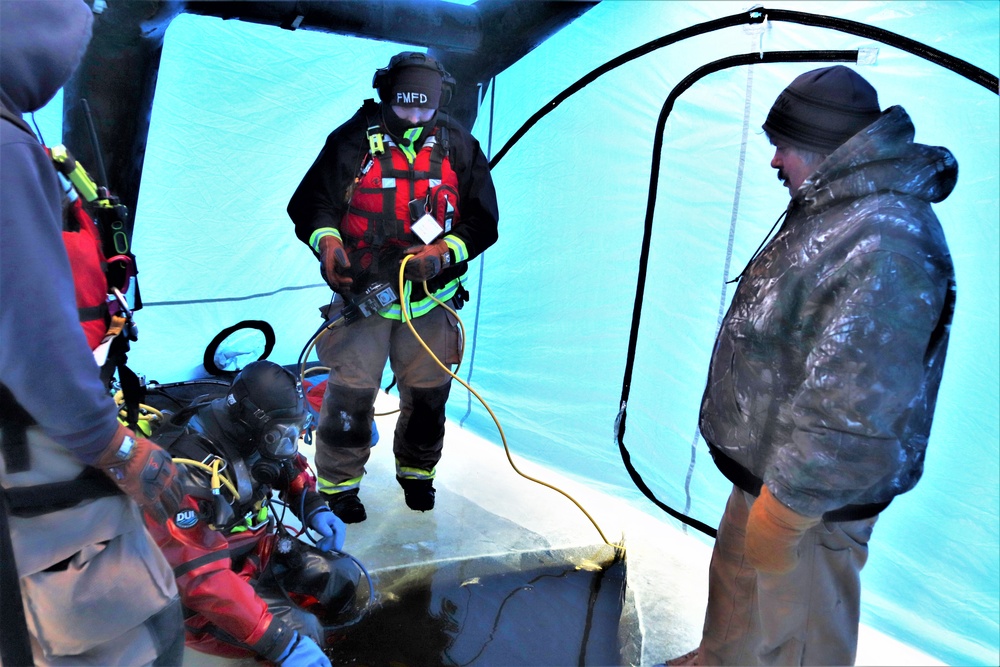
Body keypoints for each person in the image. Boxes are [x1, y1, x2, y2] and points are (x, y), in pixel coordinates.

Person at [674, 66, 958, 666]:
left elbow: (857, 403)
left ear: (823, 147)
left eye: (784, 145)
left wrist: (788, 511)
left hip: (811, 503)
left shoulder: (887, 241)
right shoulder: (836, 209)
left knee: (797, 638)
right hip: (768, 466)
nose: (774, 160)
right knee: (738, 602)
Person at [0, 1, 187, 665]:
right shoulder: (7, 149)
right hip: (29, 437)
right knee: (127, 632)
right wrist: (114, 446)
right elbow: (31, 333)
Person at [287, 51, 500, 523]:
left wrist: (443, 253)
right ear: (386, 95)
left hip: (431, 298)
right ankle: (339, 485)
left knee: (428, 395)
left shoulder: (459, 145)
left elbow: (484, 221)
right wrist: (327, 243)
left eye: (425, 109)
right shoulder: (351, 140)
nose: (414, 119)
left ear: (441, 100)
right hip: (364, 295)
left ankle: (418, 473)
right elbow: (312, 203)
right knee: (350, 395)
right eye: (404, 107)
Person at [144, 360, 360, 666]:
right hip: (199, 596)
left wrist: (312, 506)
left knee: (342, 576)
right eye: (282, 433)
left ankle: (326, 652)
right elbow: (202, 580)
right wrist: (279, 641)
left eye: (293, 431)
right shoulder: (181, 476)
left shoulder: (258, 434)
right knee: (302, 630)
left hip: (255, 552)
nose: (289, 442)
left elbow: (286, 463)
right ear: (249, 422)